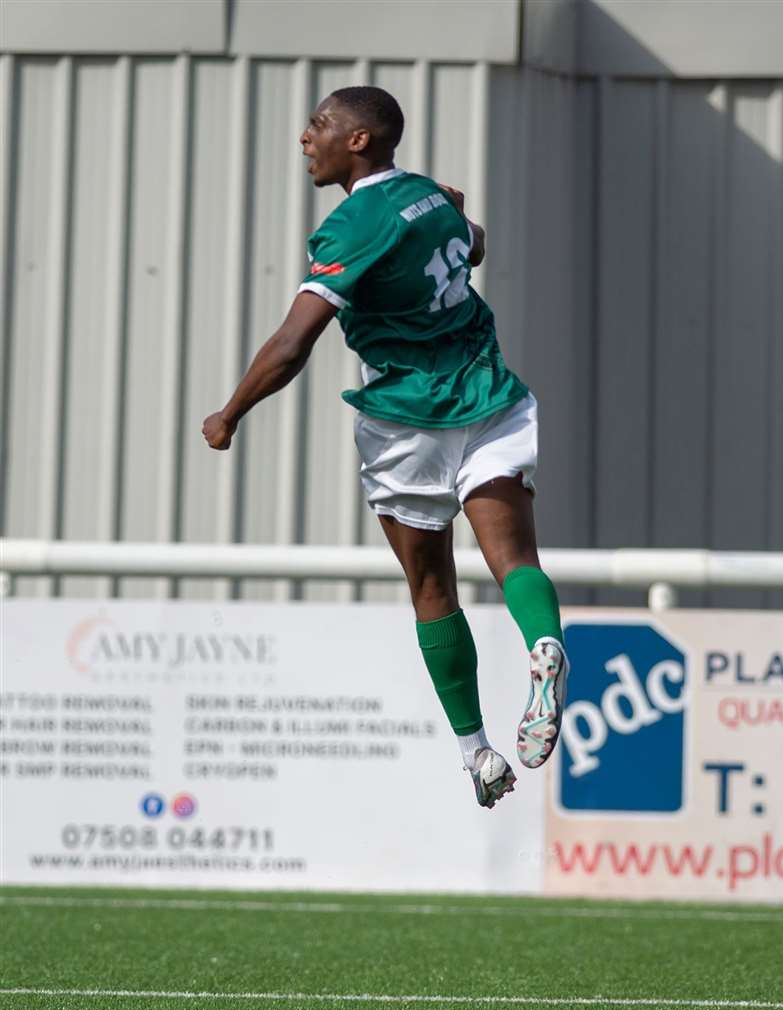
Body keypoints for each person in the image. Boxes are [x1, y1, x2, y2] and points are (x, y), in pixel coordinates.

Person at [202, 86, 568, 809]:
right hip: (491, 397)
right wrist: (458, 214)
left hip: (409, 421)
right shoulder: (433, 198)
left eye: (320, 125)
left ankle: (477, 753)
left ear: (360, 140)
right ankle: (545, 646)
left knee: (431, 587)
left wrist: (231, 412)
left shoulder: (351, 226)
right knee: (515, 561)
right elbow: (474, 245)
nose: (307, 138)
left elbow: (293, 341)